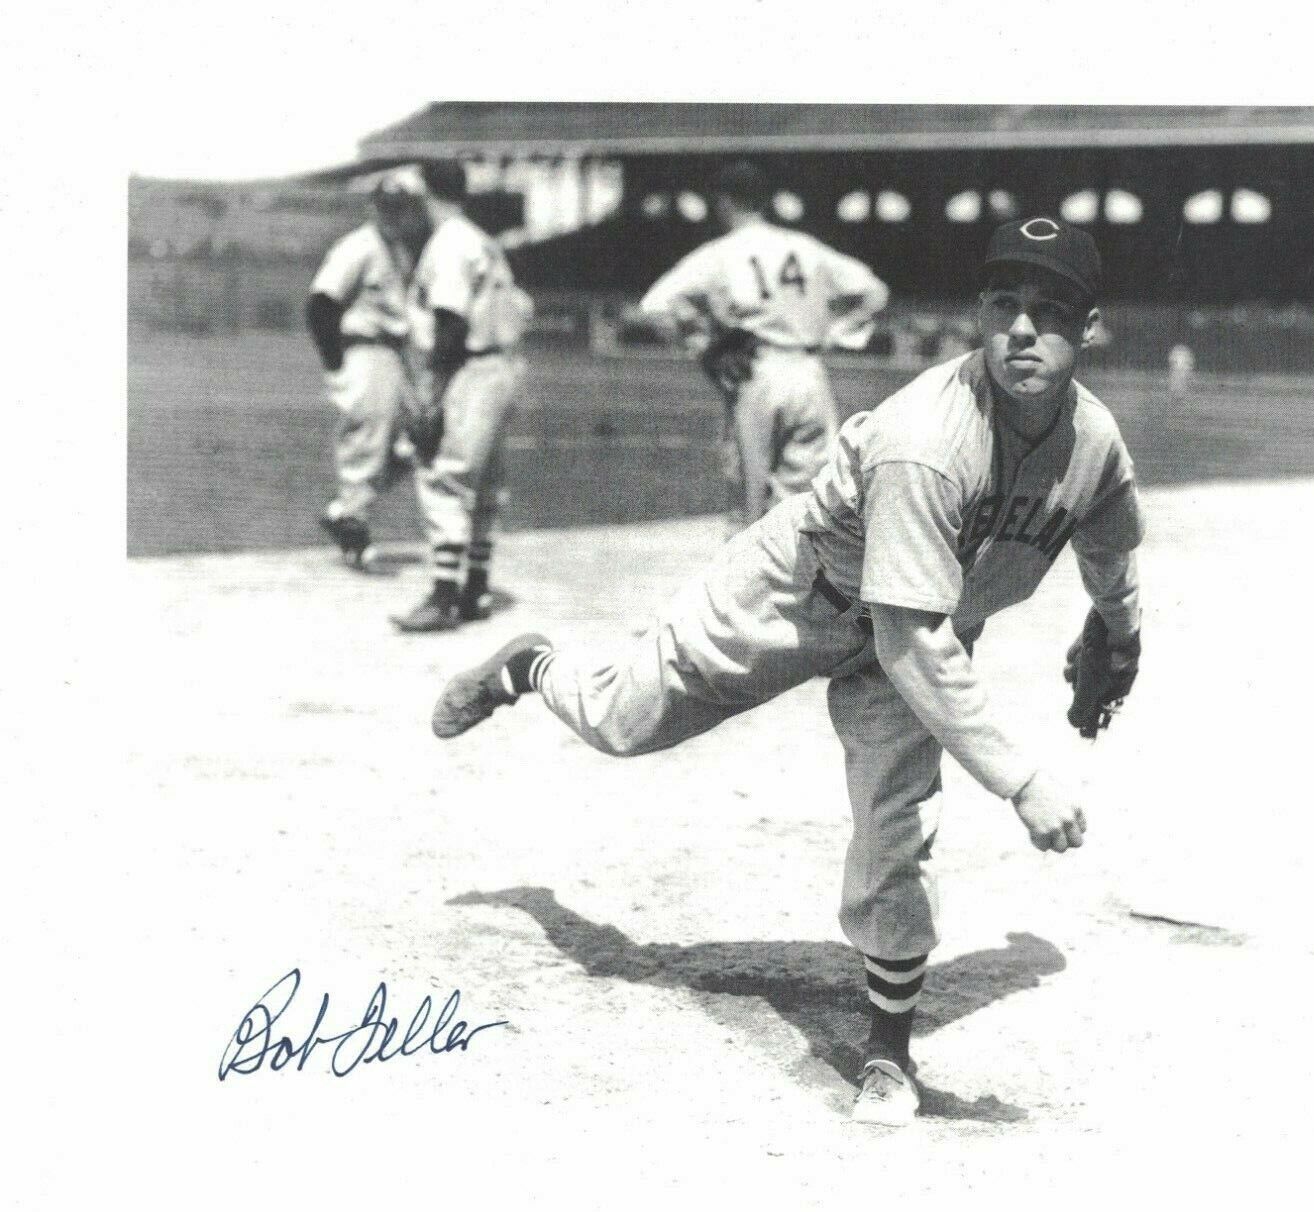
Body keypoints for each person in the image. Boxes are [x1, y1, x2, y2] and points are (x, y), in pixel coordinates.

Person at [431, 217, 1145, 1126]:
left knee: (898, 819)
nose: (1020, 330)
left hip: (917, 628)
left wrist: (1118, 633)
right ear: (978, 313)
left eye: (1049, 312)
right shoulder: (927, 437)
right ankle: (531, 666)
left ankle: (888, 1053)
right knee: (623, 721)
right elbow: (908, 641)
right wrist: (1022, 779)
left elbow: (1113, 543)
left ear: (1089, 329)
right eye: (1004, 304)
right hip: (799, 595)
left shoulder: (1096, 441)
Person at [638, 161, 889, 537]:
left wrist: (706, 344)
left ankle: (744, 589)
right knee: (806, 499)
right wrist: (834, 333)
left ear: (723, 204)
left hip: (756, 371)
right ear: (766, 202)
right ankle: (797, 588)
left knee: (748, 502)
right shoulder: (805, 247)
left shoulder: (721, 252)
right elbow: (874, 292)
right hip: (809, 373)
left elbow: (654, 305)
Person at [392, 159, 533, 633]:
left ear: (427, 193)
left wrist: (432, 388)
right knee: (487, 484)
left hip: (471, 368)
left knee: (444, 478)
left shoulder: (449, 242)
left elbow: (449, 320)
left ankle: (442, 596)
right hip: (503, 364)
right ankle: (475, 589)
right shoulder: (481, 239)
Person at [305, 172, 430, 569]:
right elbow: (322, 304)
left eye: (401, 207)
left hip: (394, 355)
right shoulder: (358, 247)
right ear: (372, 207)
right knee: (368, 441)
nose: (393, 214)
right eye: (386, 206)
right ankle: (354, 529)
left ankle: (344, 511)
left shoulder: (399, 252)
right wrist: (334, 363)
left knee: (418, 444)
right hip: (365, 353)